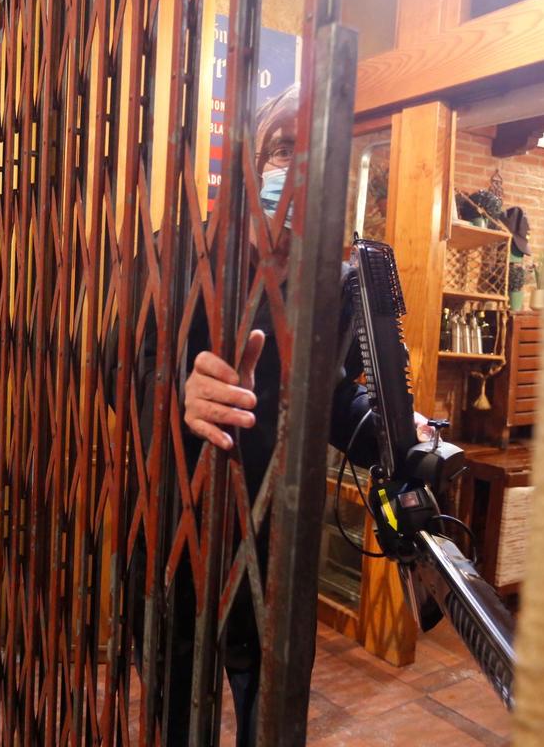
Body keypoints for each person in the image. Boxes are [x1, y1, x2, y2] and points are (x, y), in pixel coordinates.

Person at [109, 84, 430, 745]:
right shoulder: (180, 252)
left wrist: (399, 431)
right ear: (249, 156)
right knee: (173, 702)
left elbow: (336, 403)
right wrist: (176, 395)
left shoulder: (333, 282)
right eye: (283, 145)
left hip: (275, 538)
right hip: (178, 526)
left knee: (268, 703)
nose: (293, 166)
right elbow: (123, 371)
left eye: (313, 154)